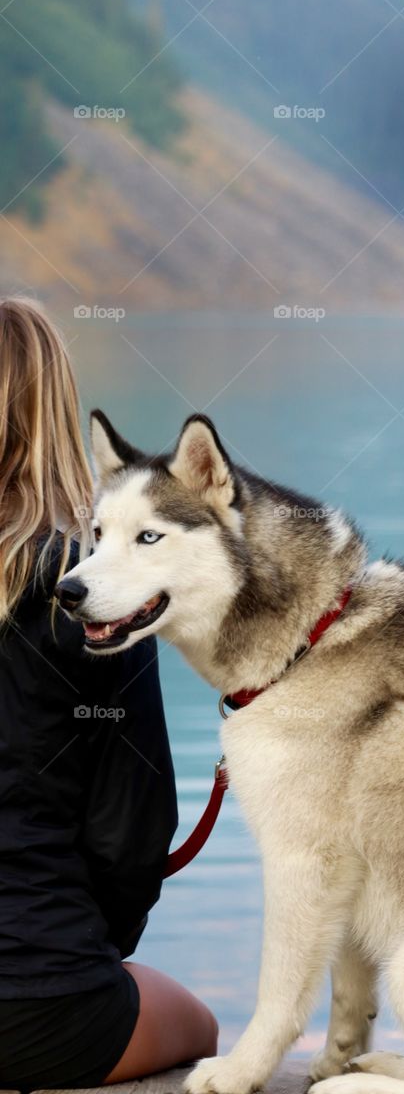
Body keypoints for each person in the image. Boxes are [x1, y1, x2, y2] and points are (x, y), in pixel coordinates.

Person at [0, 297, 217, 1088]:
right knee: (203, 1029)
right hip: (36, 1004)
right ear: (50, 412)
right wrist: (93, 950)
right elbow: (133, 826)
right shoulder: (95, 593)